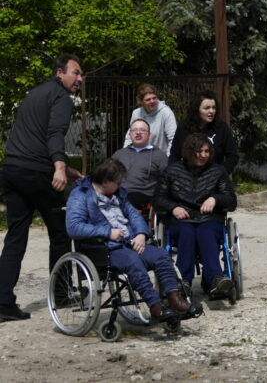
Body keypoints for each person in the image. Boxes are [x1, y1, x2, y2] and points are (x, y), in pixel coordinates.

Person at [0, 53, 84, 321]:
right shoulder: (61, 97)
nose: (80, 79)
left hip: (13, 169)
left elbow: (34, 138)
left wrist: (65, 168)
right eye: (76, 73)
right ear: (59, 73)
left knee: (15, 236)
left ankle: (3, 303)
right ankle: (61, 293)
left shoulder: (34, 94)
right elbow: (54, 134)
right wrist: (59, 167)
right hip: (37, 174)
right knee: (60, 232)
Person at [65, 159, 191, 321]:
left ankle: (174, 299)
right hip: (104, 248)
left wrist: (141, 234)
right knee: (132, 261)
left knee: (161, 255)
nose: (120, 184)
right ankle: (155, 306)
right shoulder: (80, 195)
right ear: (105, 182)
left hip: (129, 243)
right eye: (117, 182)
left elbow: (134, 215)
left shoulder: (118, 194)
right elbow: (74, 227)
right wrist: (107, 232)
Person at [155, 133, 238, 297]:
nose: (203, 155)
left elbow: (231, 201)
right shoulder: (172, 171)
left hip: (209, 218)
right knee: (187, 232)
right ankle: (183, 281)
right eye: (199, 151)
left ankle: (215, 279)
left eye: (207, 151)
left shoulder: (217, 171)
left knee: (205, 232)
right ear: (189, 152)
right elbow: (158, 199)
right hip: (181, 218)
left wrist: (215, 199)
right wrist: (173, 208)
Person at [169, 91, 240, 174]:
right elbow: (174, 155)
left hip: (213, 178)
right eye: (207, 108)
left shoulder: (222, 128)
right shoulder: (183, 127)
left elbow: (233, 156)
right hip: (188, 178)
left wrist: (221, 171)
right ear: (197, 109)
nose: (211, 111)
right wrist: (176, 174)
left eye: (214, 107)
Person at [112, 119, 169, 210]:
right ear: (130, 135)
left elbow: (167, 180)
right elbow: (107, 174)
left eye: (142, 130)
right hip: (116, 192)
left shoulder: (159, 155)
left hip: (142, 194)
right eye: (134, 130)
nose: (138, 132)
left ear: (149, 135)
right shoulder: (119, 154)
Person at [123, 84, 177, 156]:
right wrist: (125, 155)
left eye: (154, 98)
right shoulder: (136, 113)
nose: (152, 101)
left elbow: (173, 138)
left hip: (160, 158)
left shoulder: (166, 112)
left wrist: (168, 159)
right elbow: (130, 136)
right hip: (140, 157)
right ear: (141, 102)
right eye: (148, 99)